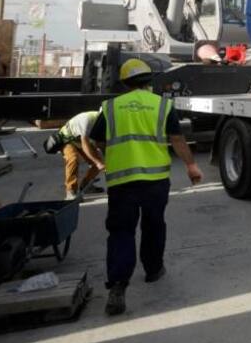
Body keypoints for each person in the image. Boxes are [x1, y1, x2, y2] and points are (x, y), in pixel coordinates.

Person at [87, 58, 203, 316]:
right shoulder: (161, 105)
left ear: (125, 82)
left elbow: (98, 141)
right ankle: (153, 270)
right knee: (153, 225)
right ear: (149, 81)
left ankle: (118, 285)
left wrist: (113, 156)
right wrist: (191, 166)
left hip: (121, 181)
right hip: (155, 181)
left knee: (121, 231)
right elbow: (177, 139)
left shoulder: (110, 107)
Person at [54, 109, 105, 200]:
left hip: (80, 140)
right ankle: (70, 191)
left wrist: (104, 161)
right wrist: (98, 162)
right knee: (73, 158)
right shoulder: (87, 120)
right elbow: (85, 144)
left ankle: (86, 186)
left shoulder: (104, 123)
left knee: (99, 161)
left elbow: (100, 143)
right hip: (67, 138)